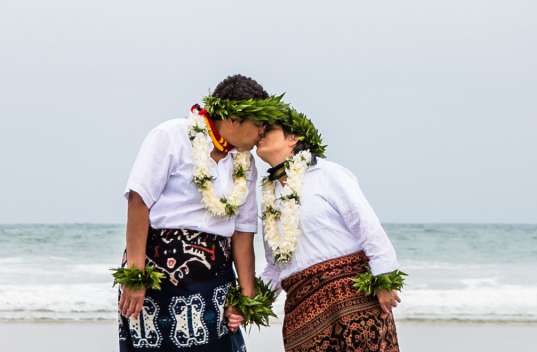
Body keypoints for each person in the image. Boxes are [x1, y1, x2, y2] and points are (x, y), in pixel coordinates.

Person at [116, 75, 268, 349]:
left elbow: (243, 234)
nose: (262, 132)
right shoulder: (171, 136)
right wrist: (137, 275)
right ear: (234, 118)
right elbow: (138, 201)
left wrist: (246, 295)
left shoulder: (246, 165)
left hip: (217, 283)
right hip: (160, 277)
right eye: (259, 124)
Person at [252, 101, 404, 352]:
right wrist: (252, 303)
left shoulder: (328, 174)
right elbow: (275, 266)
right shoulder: (269, 197)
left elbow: (366, 225)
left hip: (352, 298)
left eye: (268, 129)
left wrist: (384, 278)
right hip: (302, 310)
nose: (260, 134)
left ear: (293, 138)